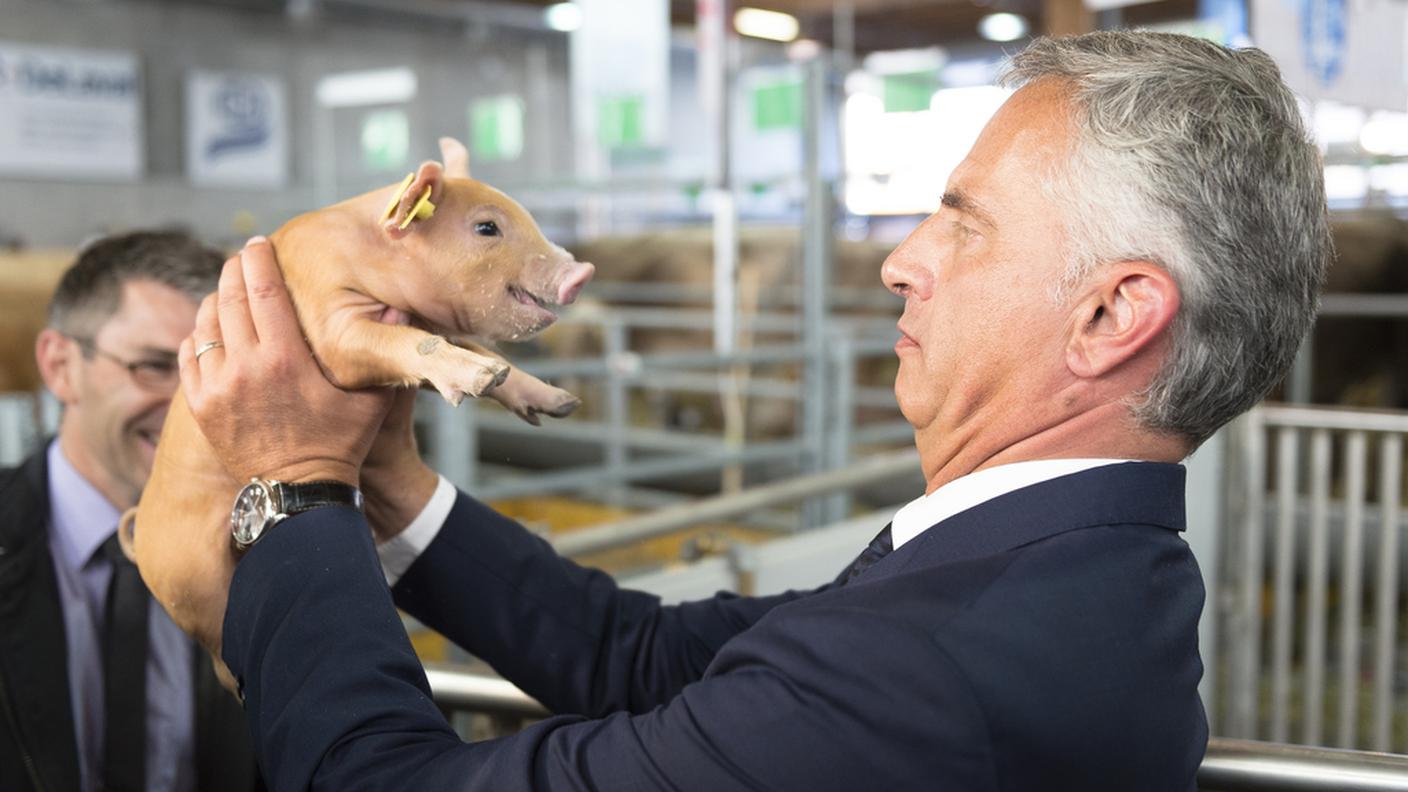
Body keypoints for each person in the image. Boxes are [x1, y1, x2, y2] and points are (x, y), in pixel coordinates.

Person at [160, 31, 1329, 791]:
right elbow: (644, 656)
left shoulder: (937, 666)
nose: (899, 262)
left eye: (962, 224)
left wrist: (295, 485)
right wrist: (395, 494)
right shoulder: (1062, 573)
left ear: (1111, 316)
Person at [0, 231, 261, 792]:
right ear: (59, 366)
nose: (192, 405)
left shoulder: (265, 557)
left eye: (212, 367)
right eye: (152, 367)